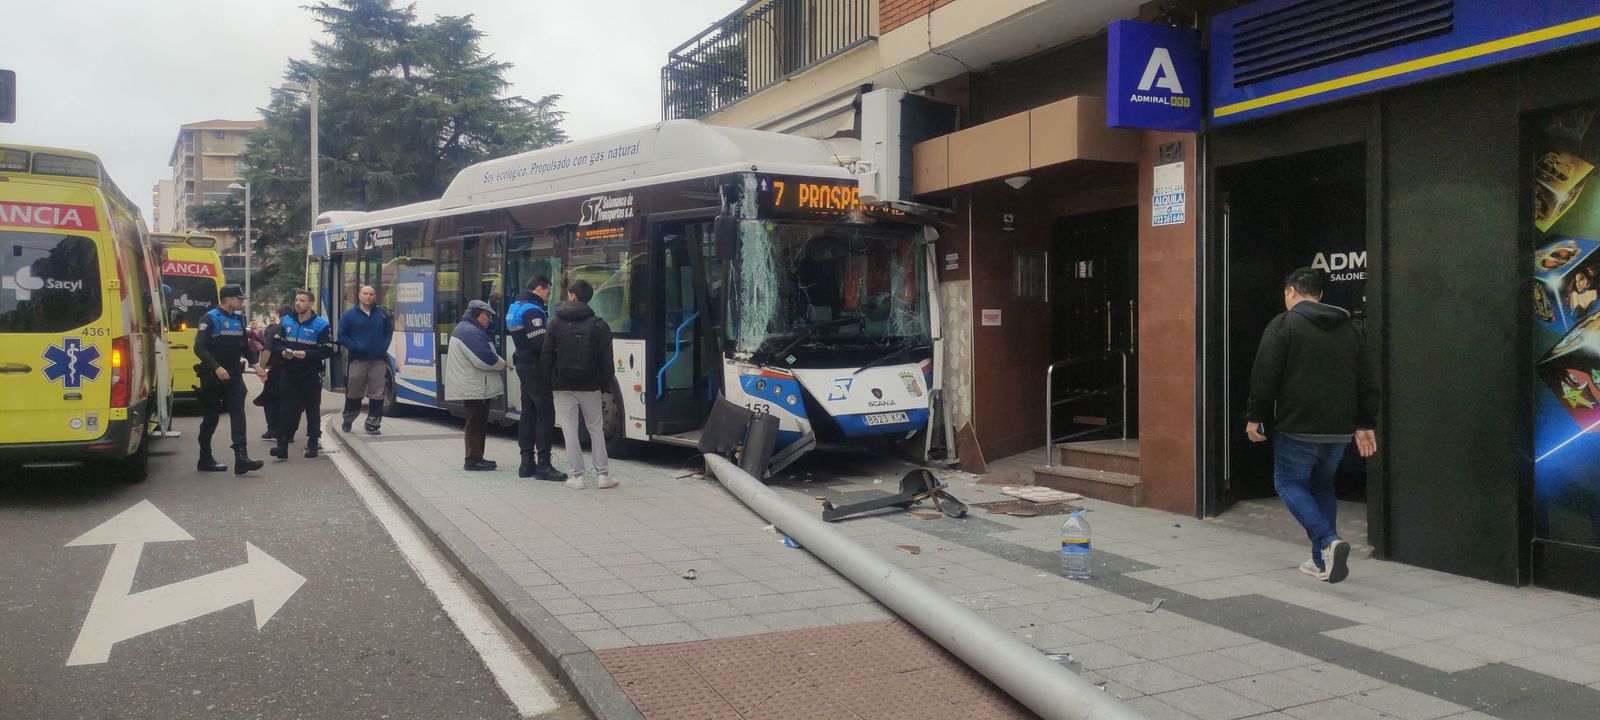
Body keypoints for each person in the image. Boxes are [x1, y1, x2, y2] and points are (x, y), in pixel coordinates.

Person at [1246, 268, 1378, 584]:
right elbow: (1367, 380)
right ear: (1320, 296)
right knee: (1322, 487)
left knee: (1288, 483)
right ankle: (1321, 562)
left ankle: (1328, 540)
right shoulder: (1350, 329)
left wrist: (1255, 418)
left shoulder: (1284, 325)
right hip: (1338, 431)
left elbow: (1264, 377)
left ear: (1292, 291)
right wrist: (1364, 423)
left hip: (1298, 426)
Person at [541, 279, 616, 490]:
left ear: (572, 296)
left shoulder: (555, 322)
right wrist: (604, 385)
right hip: (591, 385)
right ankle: (603, 476)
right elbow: (606, 360)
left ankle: (577, 477)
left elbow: (546, 354)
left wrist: (548, 382)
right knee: (595, 428)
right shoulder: (599, 324)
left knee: (569, 430)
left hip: (562, 385)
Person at [193, 285, 265, 475]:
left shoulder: (238, 320)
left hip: (233, 375)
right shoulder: (210, 319)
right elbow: (199, 348)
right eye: (239, 299)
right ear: (228, 299)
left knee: (238, 415)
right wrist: (216, 367)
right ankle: (205, 458)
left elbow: (244, 346)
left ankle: (241, 458)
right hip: (212, 376)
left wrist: (255, 364)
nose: (242, 302)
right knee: (211, 418)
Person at [508, 277, 564, 480]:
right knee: (546, 414)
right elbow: (540, 343)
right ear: (539, 288)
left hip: (523, 365)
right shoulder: (532, 310)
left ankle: (526, 463)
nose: (548, 298)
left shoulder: (515, 307)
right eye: (548, 293)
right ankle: (543, 465)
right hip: (535, 367)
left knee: (528, 414)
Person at [270, 289, 336, 460]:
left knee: (312, 409)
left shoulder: (321, 325)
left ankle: (313, 442)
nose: (298, 303)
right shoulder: (286, 321)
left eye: (302, 300)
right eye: (296, 300)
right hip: (289, 371)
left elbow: (327, 350)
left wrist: (307, 354)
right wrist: (283, 352)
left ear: (310, 304)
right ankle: (282, 445)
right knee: (285, 408)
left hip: (310, 373)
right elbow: (276, 344)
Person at [447, 300, 508, 471]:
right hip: (474, 387)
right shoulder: (469, 331)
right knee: (475, 424)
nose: (489, 320)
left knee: (478, 423)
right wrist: (502, 364)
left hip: (475, 385)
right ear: (477, 314)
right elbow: (484, 359)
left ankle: (477, 457)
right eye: (487, 316)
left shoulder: (469, 329)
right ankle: (473, 460)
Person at [339, 285, 395, 435]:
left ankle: (373, 424)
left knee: (377, 393)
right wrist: (355, 348)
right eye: (365, 293)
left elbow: (388, 332)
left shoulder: (382, 314)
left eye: (371, 294)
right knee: (354, 392)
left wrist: (383, 347)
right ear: (359, 296)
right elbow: (342, 336)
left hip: (378, 360)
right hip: (357, 360)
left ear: (374, 296)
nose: (368, 296)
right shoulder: (349, 315)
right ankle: (348, 418)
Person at [254, 305, 292, 440]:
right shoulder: (296, 329)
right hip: (294, 369)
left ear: (279, 316)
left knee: (270, 398)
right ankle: (288, 431)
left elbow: (267, 350)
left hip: (277, 368)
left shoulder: (275, 329)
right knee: (290, 400)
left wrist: (262, 368)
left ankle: (272, 428)